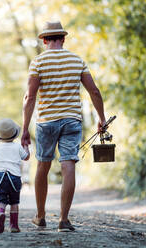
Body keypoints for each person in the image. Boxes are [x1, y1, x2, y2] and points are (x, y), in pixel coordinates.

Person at [21, 21, 106, 232]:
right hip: (71, 121)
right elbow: (94, 91)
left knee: (43, 165)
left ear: (44, 40)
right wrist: (101, 118)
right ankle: (64, 220)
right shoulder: (77, 60)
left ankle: (40, 217)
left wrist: (24, 129)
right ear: (63, 39)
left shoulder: (37, 62)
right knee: (68, 166)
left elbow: (30, 97)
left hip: (46, 122)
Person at [0, 118, 30, 233]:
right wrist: (26, 148)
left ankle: (1, 213)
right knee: (14, 202)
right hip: (14, 177)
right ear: (14, 135)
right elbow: (26, 157)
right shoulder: (18, 146)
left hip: (0, 177)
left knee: (1, 200)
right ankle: (13, 225)